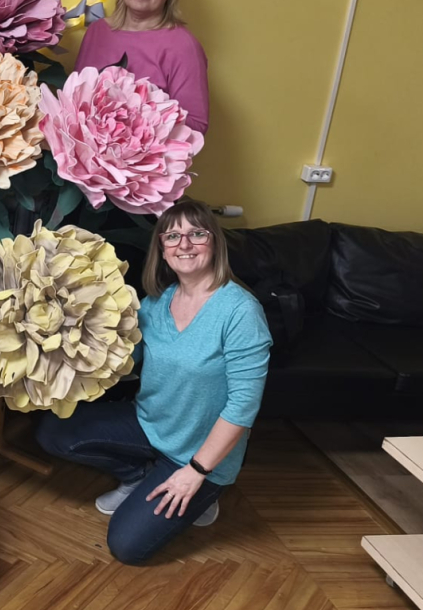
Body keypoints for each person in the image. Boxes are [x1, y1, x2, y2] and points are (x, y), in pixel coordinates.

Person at [34, 200, 272, 566]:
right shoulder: (156, 303)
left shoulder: (240, 311)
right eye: (173, 236)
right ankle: (137, 475)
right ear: (162, 249)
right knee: (53, 432)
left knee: (127, 546)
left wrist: (195, 473)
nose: (185, 244)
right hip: (150, 423)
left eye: (197, 234)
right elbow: (122, 360)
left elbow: (244, 407)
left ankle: (204, 495)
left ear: (215, 243)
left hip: (199, 454)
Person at [75, 0, 209, 133]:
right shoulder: (97, 31)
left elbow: (197, 126)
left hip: (148, 161)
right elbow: (74, 101)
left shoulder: (182, 45)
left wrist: (137, 112)